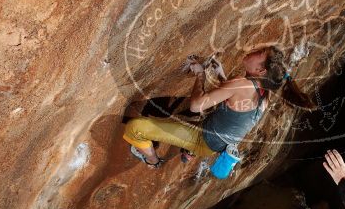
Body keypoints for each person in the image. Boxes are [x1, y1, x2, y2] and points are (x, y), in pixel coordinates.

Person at [123, 46, 313, 168]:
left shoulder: (242, 85)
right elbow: (235, 102)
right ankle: (188, 152)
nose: (254, 49)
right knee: (191, 131)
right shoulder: (265, 93)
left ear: (260, 70)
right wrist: (223, 77)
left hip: (203, 139)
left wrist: (200, 75)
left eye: (259, 53)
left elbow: (197, 106)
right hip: (217, 142)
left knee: (135, 128)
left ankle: (152, 161)